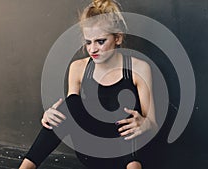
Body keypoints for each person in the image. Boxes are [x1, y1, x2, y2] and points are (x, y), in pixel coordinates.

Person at [19, 0, 157, 168]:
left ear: (118, 38)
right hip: (91, 151)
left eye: (100, 41)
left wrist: (144, 123)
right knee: (70, 104)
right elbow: (72, 112)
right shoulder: (78, 67)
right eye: (88, 42)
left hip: (125, 154)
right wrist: (50, 117)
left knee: (127, 113)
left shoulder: (138, 68)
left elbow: (153, 124)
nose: (92, 49)